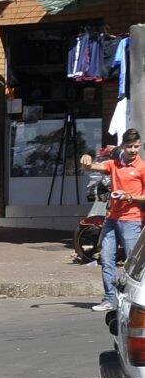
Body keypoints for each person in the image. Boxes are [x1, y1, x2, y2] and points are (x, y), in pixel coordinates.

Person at [80, 128, 145, 312]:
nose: (133, 150)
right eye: (130, 146)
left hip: (132, 220)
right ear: (123, 146)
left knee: (133, 263)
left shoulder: (141, 167)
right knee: (106, 258)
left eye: (137, 147)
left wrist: (129, 197)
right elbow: (91, 167)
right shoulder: (114, 164)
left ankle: (133, 300)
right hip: (112, 219)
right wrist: (86, 158)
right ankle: (109, 298)